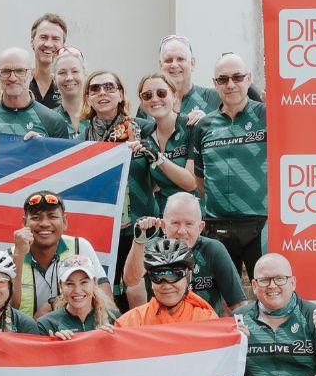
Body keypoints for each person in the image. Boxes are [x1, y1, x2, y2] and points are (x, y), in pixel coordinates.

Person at [80, 69, 159, 295]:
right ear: (88, 98)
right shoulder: (81, 139)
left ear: (121, 94)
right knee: (109, 294)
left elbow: (162, 179)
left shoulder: (144, 129)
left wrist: (149, 153)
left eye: (109, 87)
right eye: (95, 89)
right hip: (102, 230)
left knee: (142, 291)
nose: (102, 92)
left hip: (141, 226)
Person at [190, 52, 268, 279]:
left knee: (266, 290)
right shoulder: (203, 125)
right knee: (222, 297)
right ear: (215, 83)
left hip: (261, 224)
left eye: (237, 77)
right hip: (217, 226)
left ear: (249, 78)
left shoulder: (267, 114)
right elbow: (200, 179)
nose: (230, 84)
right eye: (223, 79)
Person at [123, 193, 245, 314]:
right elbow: (131, 280)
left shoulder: (212, 249)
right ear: (163, 226)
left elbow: (238, 304)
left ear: (200, 227)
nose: (182, 231)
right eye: (175, 223)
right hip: (162, 323)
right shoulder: (154, 247)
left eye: (189, 224)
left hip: (204, 323)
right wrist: (139, 241)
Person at [12, 190, 109, 317]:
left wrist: (53, 305)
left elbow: (106, 300)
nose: (44, 223)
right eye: (36, 218)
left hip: (75, 328)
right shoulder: (10, 256)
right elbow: (6, 311)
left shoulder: (80, 247)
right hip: (24, 329)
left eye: (52, 216)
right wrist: (18, 256)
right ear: (24, 223)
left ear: (64, 221)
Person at [115, 239, 217, 328]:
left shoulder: (207, 322)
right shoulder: (131, 322)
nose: (166, 285)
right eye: (157, 276)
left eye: (175, 274)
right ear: (150, 280)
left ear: (188, 277)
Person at [0, 47, 68, 137]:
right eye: (6, 71)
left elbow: (63, 153)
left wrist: (42, 146)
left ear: (31, 74)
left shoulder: (54, 121)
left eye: (20, 71)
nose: (12, 78)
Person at [136, 72, 198, 214]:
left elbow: (191, 182)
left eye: (161, 93)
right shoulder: (145, 134)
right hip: (164, 216)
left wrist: (158, 157)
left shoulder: (191, 126)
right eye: (147, 95)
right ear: (142, 100)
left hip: (193, 215)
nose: (154, 99)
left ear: (174, 95)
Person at [37, 254, 119, 338]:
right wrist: (54, 344)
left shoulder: (114, 319)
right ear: (60, 287)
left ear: (95, 283)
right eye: (69, 284)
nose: (77, 290)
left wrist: (109, 341)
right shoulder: (47, 325)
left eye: (84, 282)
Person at [28, 13, 68, 109]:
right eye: (43, 37)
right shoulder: (21, 83)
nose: (49, 44)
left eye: (56, 39)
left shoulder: (70, 85)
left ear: (63, 46)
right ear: (32, 42)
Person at [52, 47, 87, 137]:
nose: (69, 78)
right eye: (62, 73)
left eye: (75, 71)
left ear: (85, 74)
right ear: (54, 79)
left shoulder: (101, 116)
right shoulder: (48, 119)